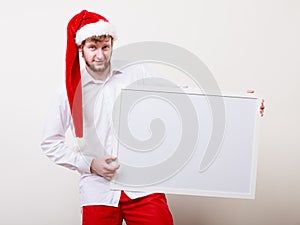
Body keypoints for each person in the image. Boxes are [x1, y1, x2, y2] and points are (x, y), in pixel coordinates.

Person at [41, 10, 174, 225]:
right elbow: (49, 143)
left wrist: (240, 103)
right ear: (80, 48)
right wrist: (90, 164)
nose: (100, 55)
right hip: (97, 190)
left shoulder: (136, 72)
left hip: (143, 185)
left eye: (105, 47)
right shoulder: (67, 92)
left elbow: (178, 97)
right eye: (92, 47)